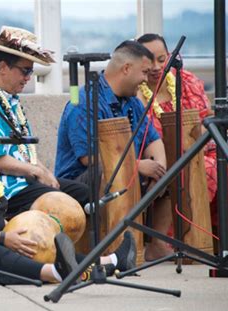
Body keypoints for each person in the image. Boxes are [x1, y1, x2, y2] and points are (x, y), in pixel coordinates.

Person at [0, 109, 137, 284]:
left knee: (33, 245)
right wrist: (3, 238)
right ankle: (56, 273)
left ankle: (109, 262)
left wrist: (19, 232)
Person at [55, 40, 172, 261]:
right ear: (126, 68)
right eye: (145, 72)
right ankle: (112, 249)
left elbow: (153, 141)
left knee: (169, 171)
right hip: (80, 180)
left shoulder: (133, 102)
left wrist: (159, 170)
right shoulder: (83, 101)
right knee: (108, 173)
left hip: (123, 170)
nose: (147, 79)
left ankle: (155, 244)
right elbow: (88, 158)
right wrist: (137, 166)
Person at [0, 26, 88, 219]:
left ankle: (98, 249)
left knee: (84, 193)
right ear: (3, 67)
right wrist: (36, 171)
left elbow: (25, 150)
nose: (28, 78)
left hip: (25, 182)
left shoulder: (8, 98)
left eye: (31, 71)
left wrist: (45, 172)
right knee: (60, 203)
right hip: (4, 189)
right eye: (25, 71)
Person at [136, 34, 228, 233]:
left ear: (170, 56)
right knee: (204, 169)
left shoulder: (186, 80)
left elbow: (206, 118)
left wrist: (198, 140)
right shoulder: (136, 93)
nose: (155, 67)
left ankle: (223, 234)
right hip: (166, 158)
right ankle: (191, 234)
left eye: (161, 60)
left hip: (200, 148)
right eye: (148, 61)